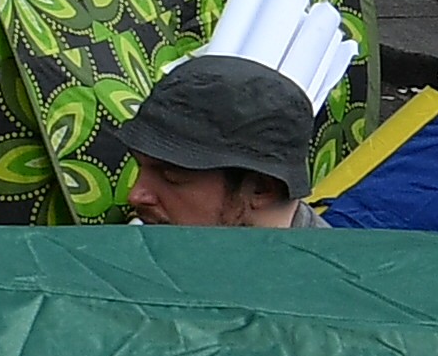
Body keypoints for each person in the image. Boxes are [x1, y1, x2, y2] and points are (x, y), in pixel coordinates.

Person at [111, 50, 322, 227]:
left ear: (261, 188)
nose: (136, 195)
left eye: (170, 176)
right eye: (140, 166)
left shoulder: (325, 276)